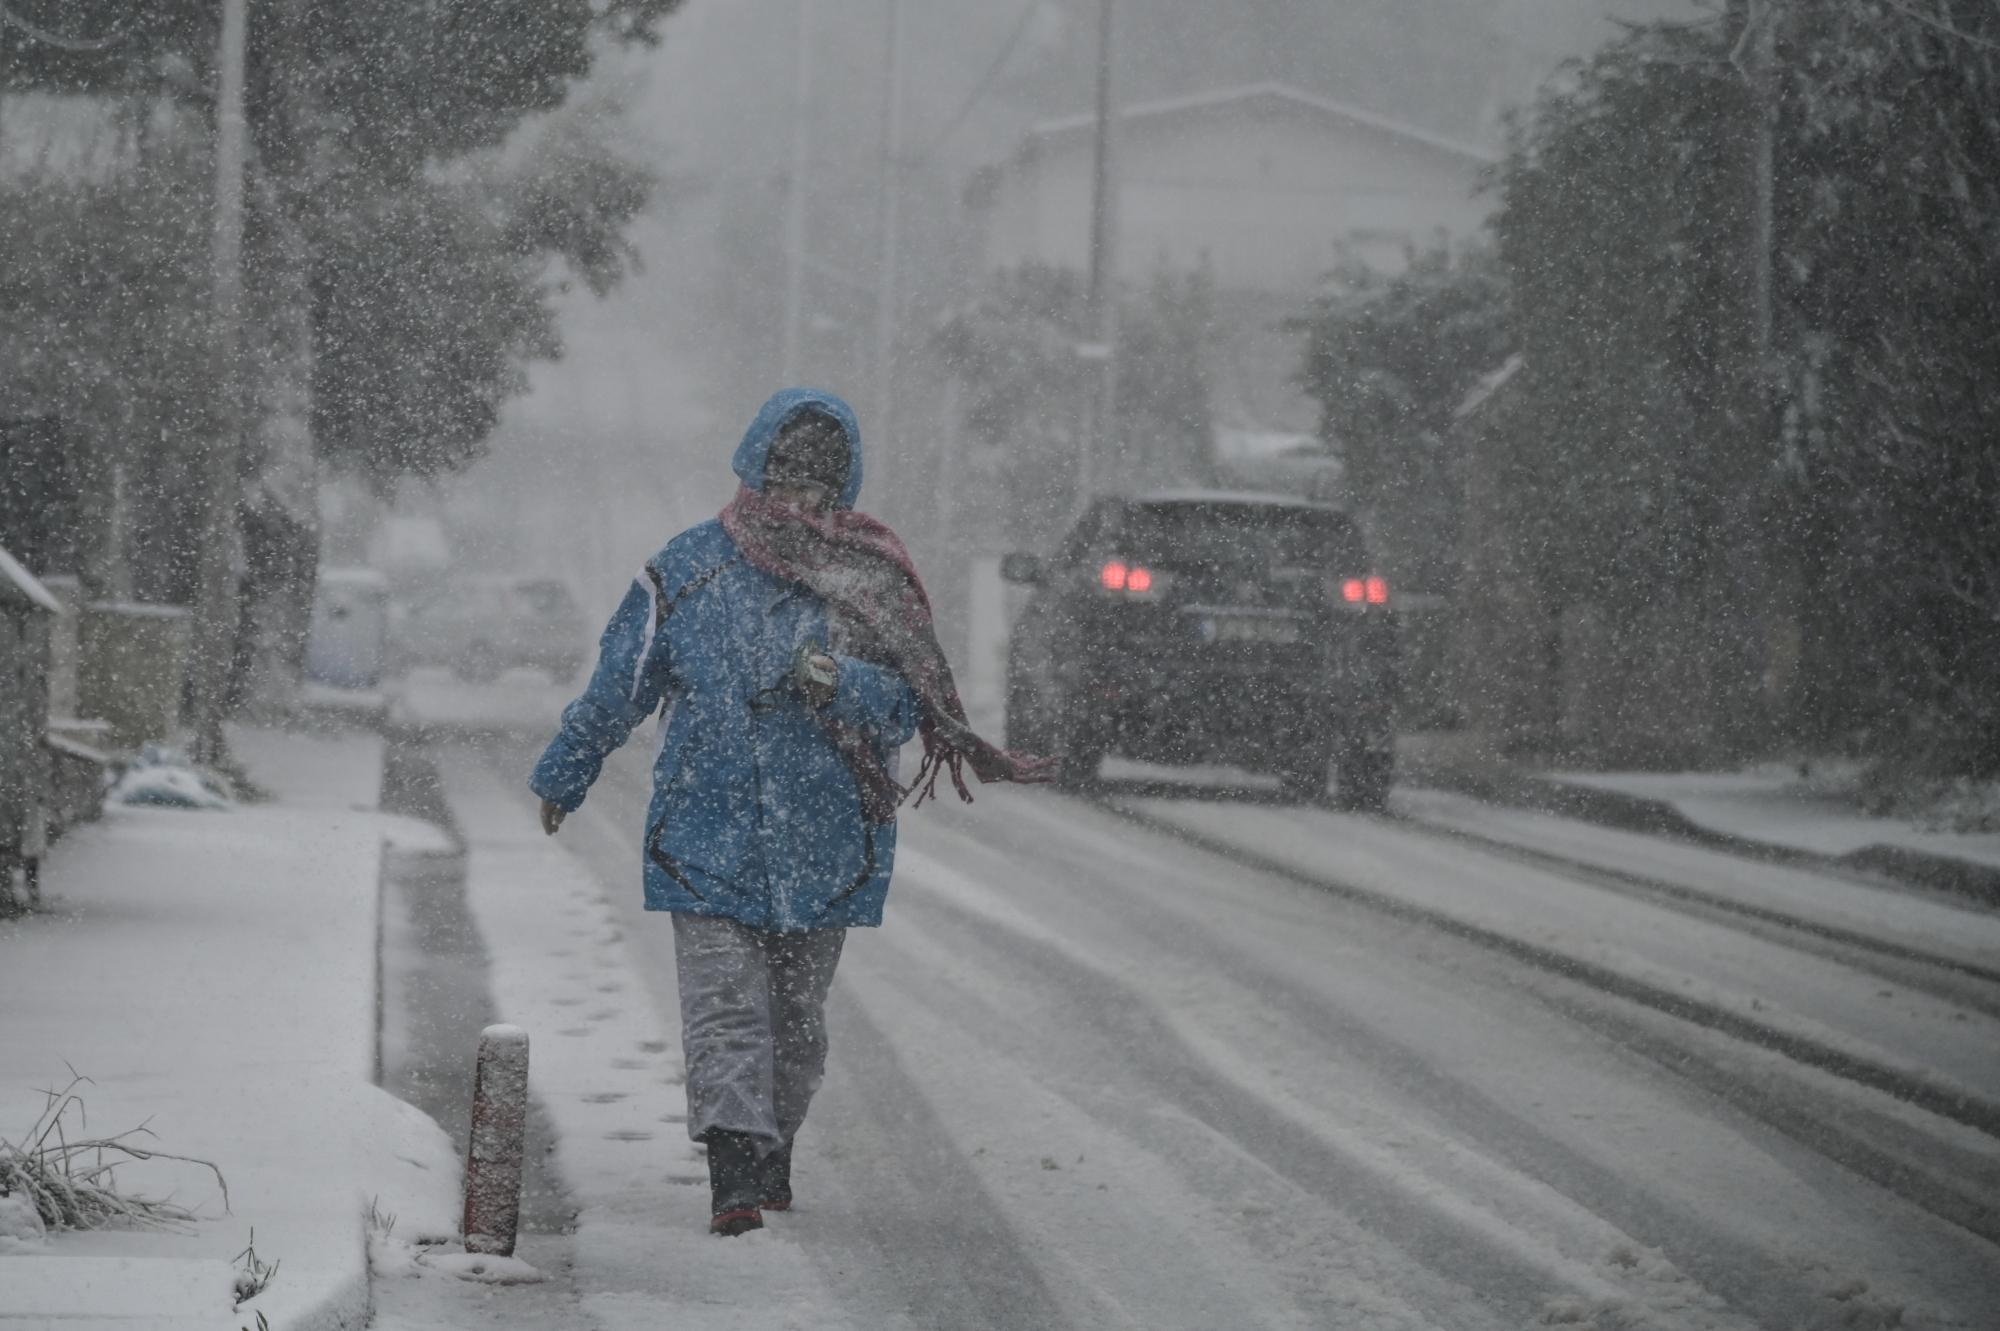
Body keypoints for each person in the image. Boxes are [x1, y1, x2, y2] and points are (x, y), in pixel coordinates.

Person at [529, 388, 1053, 1235]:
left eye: (818, 483)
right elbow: (622, 680)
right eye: (786, 477)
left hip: (826, 840)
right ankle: (734, 1170)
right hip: (703, 832)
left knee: (795, 1026)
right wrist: (568, 768)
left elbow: (906, 708)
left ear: (841, 486)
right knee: (724, 1008)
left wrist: (843, 682)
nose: (799, 498)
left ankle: (771, 1152)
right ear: (754, 468)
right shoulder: (687, 568)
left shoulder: (870, 582)